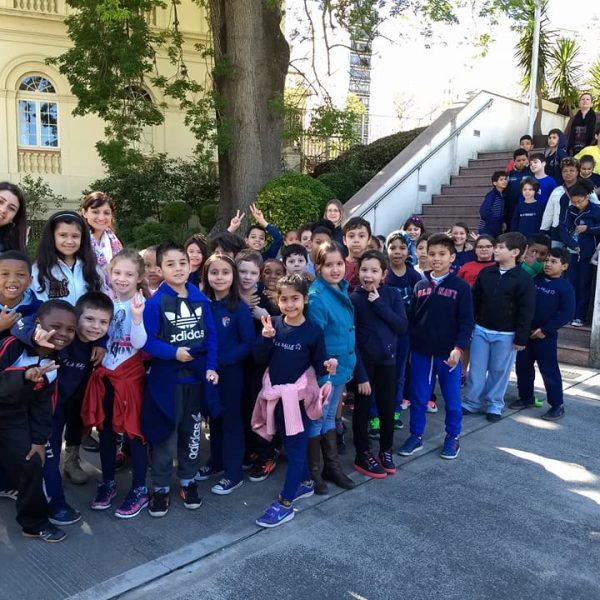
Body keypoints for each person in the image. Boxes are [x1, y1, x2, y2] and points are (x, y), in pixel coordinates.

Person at [252, 275, 337, 528]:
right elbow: (259, 359)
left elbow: (319, 365)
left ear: (305, 299)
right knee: (288, 444)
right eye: (284, 299)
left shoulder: (313, 330)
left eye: (295, 299)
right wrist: (266, 338)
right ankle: (306, 483)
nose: (290, 304)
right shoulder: (273, 324)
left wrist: (328, 366)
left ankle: (286, 502)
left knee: (297, 449)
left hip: (298, 401)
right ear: (277, 301)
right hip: (276, 397)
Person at [141, 241, 218, 517]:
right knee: (166, 435)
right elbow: (146, 341)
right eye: (170, 264)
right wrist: (173, 353)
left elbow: (211, 337)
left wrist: (211, 367)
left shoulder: (201, 299)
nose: (178, 268)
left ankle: (188, 479)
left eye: (182, 263)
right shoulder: (155, 303)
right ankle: (161, 486)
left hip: (195, 381)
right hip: (167, 382)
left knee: (192, 432)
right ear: (160, 269)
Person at [0, 299, 77, 543]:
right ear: (38, 324)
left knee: (32, 461)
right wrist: (23, 376)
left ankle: (34, 524)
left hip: (14, 417)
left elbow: (43, 405)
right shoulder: (12, 345)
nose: (63, 334)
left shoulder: (55, 360)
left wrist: (38, 441)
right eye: (56, 326)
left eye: (70, 329)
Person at [80, 250, 149, 518]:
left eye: (129, 274)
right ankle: (107, 481)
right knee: (106, 430)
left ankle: (140, 488)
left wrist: (136, 317)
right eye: (117, 272)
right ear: (109, 273)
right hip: (105, 374)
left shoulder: (141, 303)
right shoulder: (106, 302)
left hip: (130, 377)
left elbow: (139, 343)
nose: (122, 278)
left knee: (134, 432)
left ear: (139, 277)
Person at [398, 234, 474, 460]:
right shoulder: (420, 285)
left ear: (452, 257)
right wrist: (410, 348)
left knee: (452, 399)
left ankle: (452, 437)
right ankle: (416, 436)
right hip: (421, 352)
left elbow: (467, 322)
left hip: (448, 355)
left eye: (442, 254)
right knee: (418, 397)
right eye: (432, 254)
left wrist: (459, 349)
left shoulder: (461, 287)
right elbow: (412, 319)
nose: (436, 258)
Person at [462, 232, 536, 421]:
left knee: (499, 371)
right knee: (476, 370)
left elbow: (526, 310)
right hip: (481, 330)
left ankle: (494, 405)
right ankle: (471, 402)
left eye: (501, 247)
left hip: (506, 334)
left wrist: (521, 337)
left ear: (515, 252)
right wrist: (471, 325)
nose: (495, 250)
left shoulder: (524, 279)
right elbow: (474, 300)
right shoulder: (486, 273)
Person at [200, 254, 254, 495]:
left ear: (233, 277)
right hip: (207, 373)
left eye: (225, 272)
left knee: (231, 421)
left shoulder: (239, 308)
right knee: (214, 418)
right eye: (214, 272)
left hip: (230, 373)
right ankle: (217, 461)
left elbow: (248, 343)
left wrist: (221, 361)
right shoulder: (202, 305)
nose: (219, 277)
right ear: (206, 276)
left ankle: (233, 473)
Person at [351, 250, 408, 478]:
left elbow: (401, 326)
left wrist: (379, 304)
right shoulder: (354, 299)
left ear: (383, 274)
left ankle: (386, 450)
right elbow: (352, 341)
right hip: (364, 365)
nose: (368, 275)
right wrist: (361, 375)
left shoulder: (392, 295)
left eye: (374, 271)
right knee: (362, 409)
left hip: (387, 362)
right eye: (364, 270)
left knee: (387, 408)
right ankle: (362, 453)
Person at [307, 242, 355, 494]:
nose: (335, 269)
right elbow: (316, 339)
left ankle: (332, 467)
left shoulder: (340, 287)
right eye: (328, 265)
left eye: (339, 264)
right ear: (318, 267)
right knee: (318, 417)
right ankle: (314, 471)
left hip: (342, 365)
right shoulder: (318, 297)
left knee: (328, 417)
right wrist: (324, 369)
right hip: (327, 369)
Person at [510, 249, 575, 421]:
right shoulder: (534, 280)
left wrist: (545, 330)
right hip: (526, 334)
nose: (548, 264)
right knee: (522, 367)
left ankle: (557, 405)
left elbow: (566, 314)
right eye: (547, 261)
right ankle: (526, 397)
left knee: (549, 371)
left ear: (564, 266)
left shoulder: (565, 288)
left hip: (545, 337)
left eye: (554, 262)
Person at [383, 230, 422, 420]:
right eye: (393, 247)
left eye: (402, 247)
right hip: (383, 331)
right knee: (382, 371)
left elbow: (419, 306)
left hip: (405, 332)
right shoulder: (383, 274)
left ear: (408, 250)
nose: (397, 252)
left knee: (400, 371)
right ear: (386, 249)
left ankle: (395, 408)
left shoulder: (414, 276)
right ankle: (378, 410)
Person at [31, 211, 102, 305]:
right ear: (52, 237)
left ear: (83, 238)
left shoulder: (92, 268)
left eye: (75, 236)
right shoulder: (39, 270)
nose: (69, 241)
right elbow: (39, 303)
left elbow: (102, 300)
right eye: (63, 235)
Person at [557, 178, 600, 326]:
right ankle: (570, 314)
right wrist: (572, 244)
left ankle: (580, 316)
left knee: (584, 285)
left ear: (587, 197)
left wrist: (588, 229)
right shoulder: (570, 210)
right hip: (572, 252)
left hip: (588, 253)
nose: (577, 205)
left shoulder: (596, 210)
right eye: (574, 202)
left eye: (580, 201)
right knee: (571, 283)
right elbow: (562, 229)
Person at [80, 192, 123, 290]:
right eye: (95, 212)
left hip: (113, 293)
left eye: (106, 213)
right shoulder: (79, 239)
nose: (101, 217)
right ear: (84, 213)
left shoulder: (113, 240)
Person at [0, 251, 41, 340]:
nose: (12, 280)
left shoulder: (39, 309)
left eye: (20, 274)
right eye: (5, 274)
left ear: (30, 281)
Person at [505, 149, 532, 230]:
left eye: (524, 160)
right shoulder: (509, 175)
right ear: (514, 161)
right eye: (518, 160)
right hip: (511, 210)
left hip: (528, 208)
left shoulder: (532, 173)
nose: (521, 162)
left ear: (527, 159)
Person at [343, 217, 371, 292]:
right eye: (351, 236)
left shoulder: (375, 265)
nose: (356, 240)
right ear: (344, 240)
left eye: (361, 236)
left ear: (369, 239)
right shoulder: (339, 265)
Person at [0, 182, 27, 252]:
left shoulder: (10, 252)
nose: (3, 210)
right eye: (0, 201)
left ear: (14, 218)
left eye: (11, 208)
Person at [478, 171, 507, 237]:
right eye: (501, 179)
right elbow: (483, 212)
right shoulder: (492, 195)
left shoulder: (503, 195)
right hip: (487, 229)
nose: (504, 181)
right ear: (495, 183)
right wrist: (495, 222)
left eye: (505, 179)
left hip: (496, 229)